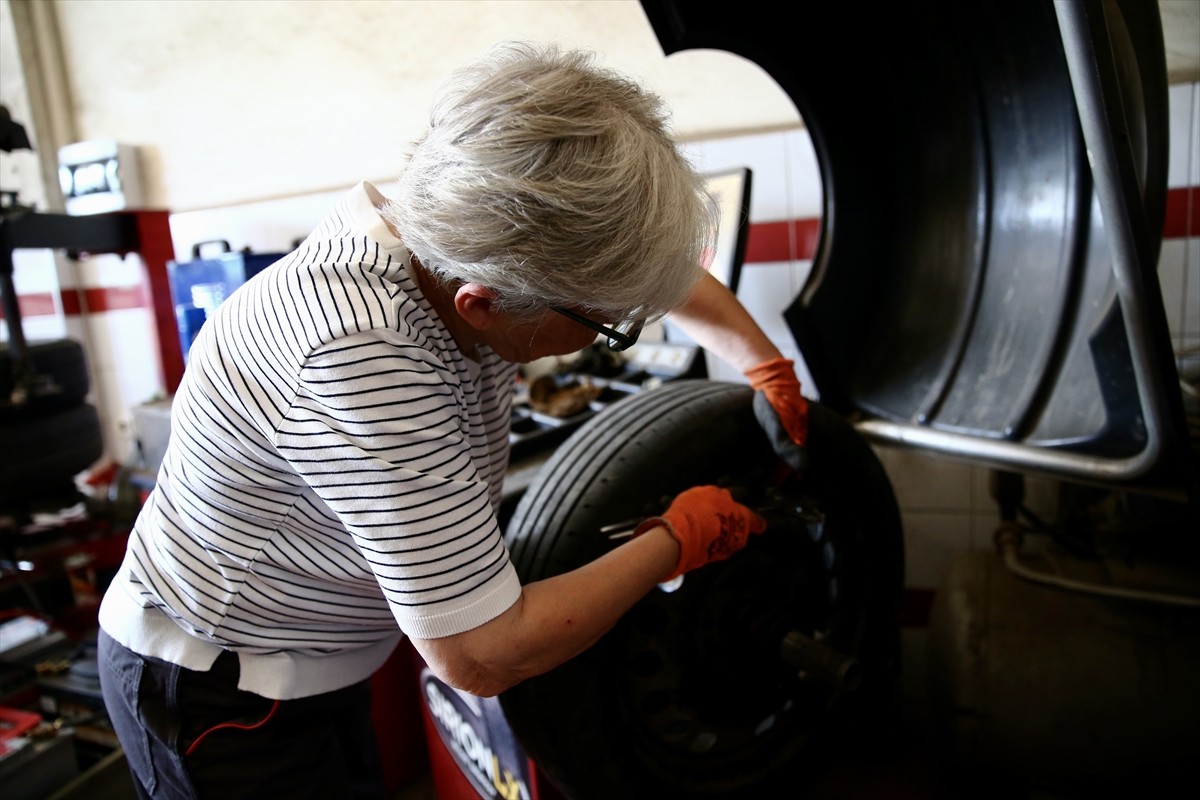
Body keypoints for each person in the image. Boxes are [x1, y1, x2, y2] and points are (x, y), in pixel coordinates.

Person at [96, 41, 808, 799]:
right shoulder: (361, 354)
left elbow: (608, 267)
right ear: (487, 301)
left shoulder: (443, 229)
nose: (615, 325)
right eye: (608, 324)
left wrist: (761, 358)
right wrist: (675, 540)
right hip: (217, 688)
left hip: (312, 663)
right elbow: (480, 654)